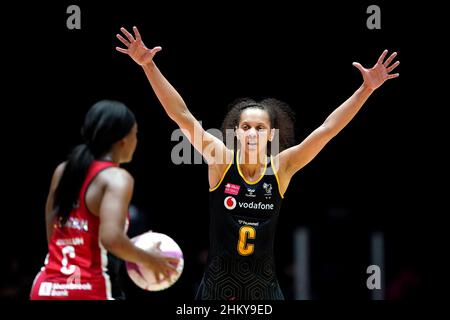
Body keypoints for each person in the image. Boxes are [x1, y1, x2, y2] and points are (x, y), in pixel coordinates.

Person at [115, 26, 400, 300]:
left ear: (271, 135)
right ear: (236, 133)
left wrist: (366, 89)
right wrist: (148, 66)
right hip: (217, 288)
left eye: (260, 128)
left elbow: (327, 130)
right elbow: (182, 116)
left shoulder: (281, 167)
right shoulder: (222, 161)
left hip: (264, 289)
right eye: (246, 127)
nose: (252, 133)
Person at [30, 100, 179, 300]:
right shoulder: (117, 178)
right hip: (89, 289)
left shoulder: (63, 170)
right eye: (136, 133)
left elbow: (55, 235)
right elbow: (111, 239)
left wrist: (132, 245)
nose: (137, 139)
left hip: (45, 288)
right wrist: (150, 260)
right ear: (123, 139)